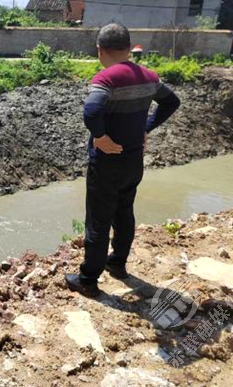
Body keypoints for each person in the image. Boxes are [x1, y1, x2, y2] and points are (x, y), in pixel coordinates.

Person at [65, 24, 181, 297]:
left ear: (99, 50)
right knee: (124, 212)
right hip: (133, 162)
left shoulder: (106, 79)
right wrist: (146, 127)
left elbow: (92, 110)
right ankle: (117, 264)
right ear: (129, 49)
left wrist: (100, 136)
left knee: (98, 220)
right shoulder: (149, 77)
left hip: (106, 163)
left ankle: (88, 279)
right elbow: (171, 102)